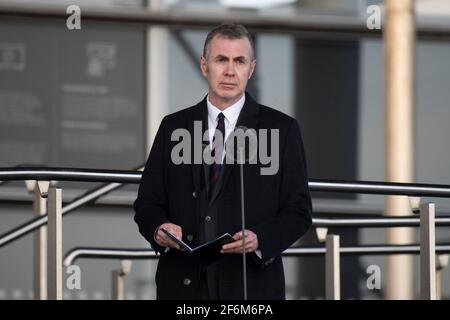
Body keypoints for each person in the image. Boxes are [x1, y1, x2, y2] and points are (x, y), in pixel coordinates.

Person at [134, 23, 312, 300]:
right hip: (182, 287)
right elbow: (147, 203)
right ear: (205, 66)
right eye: (221, 60)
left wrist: (260, 239)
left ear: (251, 69)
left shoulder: (282, 129)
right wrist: (159, 229)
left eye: (239, 61)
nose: (230, 71)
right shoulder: (173, 127)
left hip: (250, 288)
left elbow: (298, 211)